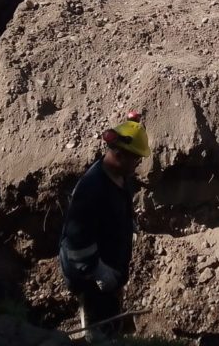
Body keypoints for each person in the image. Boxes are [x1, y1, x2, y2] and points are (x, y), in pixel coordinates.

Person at [59, 112, 150, 342]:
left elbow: (118, 202)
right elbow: (76, 241)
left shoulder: (118, 176)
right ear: (119, 154)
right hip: (91, 279)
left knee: (111, 317)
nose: (137, 165)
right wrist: (96, 270)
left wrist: (127, 222)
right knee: (99, 331)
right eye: (135, 160)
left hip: (110, 271)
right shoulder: (92, 189)